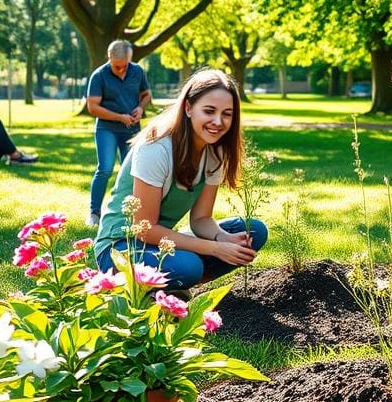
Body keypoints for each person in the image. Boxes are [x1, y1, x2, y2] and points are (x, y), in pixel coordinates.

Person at [93, 69, 267, 291]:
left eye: (227, 114)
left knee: (253, 230)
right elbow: (144, 229)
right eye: (209, 111)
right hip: (120, 248)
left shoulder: (215, 151)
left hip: (159, 243)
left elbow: (201, 219)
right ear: (188, 108)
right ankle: (168, 284)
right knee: (189, 267)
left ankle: (172, 285)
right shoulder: (156, 147)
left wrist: (222, 238)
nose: (218, 121)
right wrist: (214, 249)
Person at [85, 40, 152, 228]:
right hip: (107, 129)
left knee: (132, 171)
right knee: (105, 168)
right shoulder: (99, 76)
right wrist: (118, 117)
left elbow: (147, 95)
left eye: (124, 66)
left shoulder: (137, 71)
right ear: (109, 58)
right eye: (117, 66)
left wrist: (140, 108)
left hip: (132, 130)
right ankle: (94, 212)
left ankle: (127, 213)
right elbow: (92, 107)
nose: (121, 70)